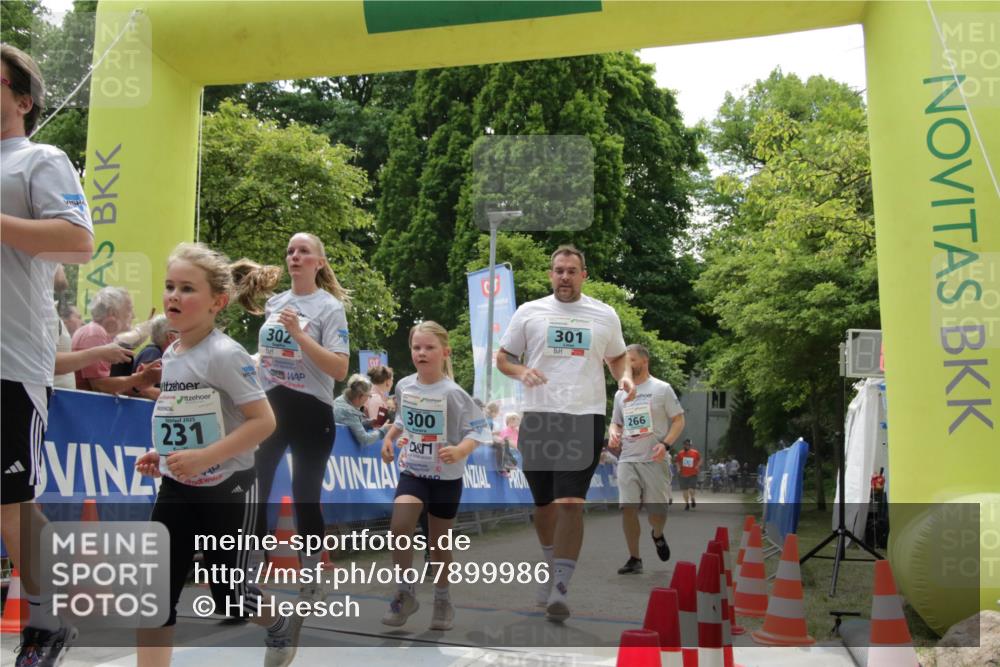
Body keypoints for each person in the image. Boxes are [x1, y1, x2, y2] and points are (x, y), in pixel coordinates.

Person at [133, 242, 298, 667]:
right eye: (170, 286)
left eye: (187, 288)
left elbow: (263, 422)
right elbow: (190, 419)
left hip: (229, 488)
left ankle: (280, 623)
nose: (173, 296)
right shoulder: (171, 354)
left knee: (232, 595)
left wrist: (206, 457)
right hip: (177, 487)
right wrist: (164, 453)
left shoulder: (226, 354)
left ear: (217, 302)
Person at [2, 43, 94, 667]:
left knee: (10, 502)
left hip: (10, 359)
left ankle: (45, 621)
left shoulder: (40, 157)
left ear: (22, 99)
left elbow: (78, 241)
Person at [496, 244, 633, 622]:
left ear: (583, 275)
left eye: (572, 271)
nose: (565, 277)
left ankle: (560, 585)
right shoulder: (529, 312)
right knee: (543, 505)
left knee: (570, 502)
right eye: (558, 270)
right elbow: (503, 358)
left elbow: (618, 356)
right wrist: (521, 372)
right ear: (550, 274)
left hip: (583, 416)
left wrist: (622, 376)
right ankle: (548, 560)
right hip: (539, 417)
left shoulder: (603, 315)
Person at [254, 232, 350, 595]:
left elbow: (339, 369)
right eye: (290, 250)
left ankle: (310, 577)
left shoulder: (329, 307)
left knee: (304, 494)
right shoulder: (274, 302)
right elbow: (267, 354)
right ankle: (250, 574)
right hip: (272, 406)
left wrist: (299, 334)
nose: (294, 256)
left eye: (304, 251)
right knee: (255, 488)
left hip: (312, 409)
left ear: (319, 262)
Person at [379, 321, 492, 631]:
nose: (422, 353)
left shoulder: (454, 393)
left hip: (446, 478)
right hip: (413, 471)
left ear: (445, 352)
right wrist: (389, 438)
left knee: (439, 544)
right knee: (400, 526)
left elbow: (480, 430)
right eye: (417, 347)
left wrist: (460, 451)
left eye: (429, 348)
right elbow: (402, 419)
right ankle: (405, 593)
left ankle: (442, 600)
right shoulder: (404, 386)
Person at [608, 344, 685, 575]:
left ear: (644, 361)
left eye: (631, 360)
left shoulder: (662, 389)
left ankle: (657, 534)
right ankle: (635, 558)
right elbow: (616, 421)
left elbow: (679, 420)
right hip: (628, 458)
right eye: (625, 361)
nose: (627, 366)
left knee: (657, 513)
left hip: (655, 458)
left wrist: (666, 444)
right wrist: (613, 431)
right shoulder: (620, 393)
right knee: (628, 507)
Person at [70, 286, 159, 397]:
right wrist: (140, 378)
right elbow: (100, 386)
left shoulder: (96, 333)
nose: (134, 316)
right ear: (113, 312)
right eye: (129, 309)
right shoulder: (95, 333)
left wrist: (139, 382)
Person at [335, 374, 389, 445]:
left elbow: (351, 424)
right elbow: (365, 440)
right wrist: (384, 430)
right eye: (368, 396)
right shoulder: (349, 411)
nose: (367, 400)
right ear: (361, 396)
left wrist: (369, 423)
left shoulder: (340, 400)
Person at [676, 439, 702, 509]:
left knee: (691, 489)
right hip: (683, 474)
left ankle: (692, 498)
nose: (686, 446)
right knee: (685, 490)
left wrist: (697, 466)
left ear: (690, 445)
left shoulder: (695, 452)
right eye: (685, 444)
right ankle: (687, 504)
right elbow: (677, 461)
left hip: (693, 474)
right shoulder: (680, 453)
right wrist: (678, 468)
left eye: (687, 444)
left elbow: (700, 460)